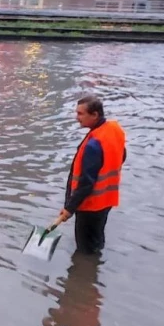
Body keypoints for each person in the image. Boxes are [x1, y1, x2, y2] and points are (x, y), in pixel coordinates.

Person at [55, 95, 127, 254]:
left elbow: (86, 182)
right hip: (107, 200)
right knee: (97, 238)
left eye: (80, 114)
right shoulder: (114, 130)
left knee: (85, 247)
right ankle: (93, 266)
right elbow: (122, 156)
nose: (77, 118)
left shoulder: (93, 145)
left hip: (90, 205)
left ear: (94, 115)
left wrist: (69, 208)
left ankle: (84, 273)